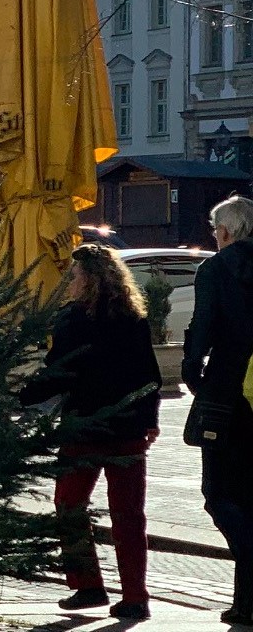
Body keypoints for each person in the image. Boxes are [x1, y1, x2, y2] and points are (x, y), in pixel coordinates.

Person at [21, 245, 162, 620]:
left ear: (87, 280)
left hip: (83, 427)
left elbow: (61, 372)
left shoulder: (72, 320)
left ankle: (87, 586)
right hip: (128, 426)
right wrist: (150, 419)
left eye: (73, 276)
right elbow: (150, 374)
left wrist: (19, 395)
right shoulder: (134, 318)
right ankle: (135, 596)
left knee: (69, 506)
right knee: (129, 514)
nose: (69, 282)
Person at [189, 196, 253, 625]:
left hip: (229, 397)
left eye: (215, 230)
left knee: (220, 495)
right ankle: (246, 602)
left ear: (227, 231)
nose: (214, 236)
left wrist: (196, 379)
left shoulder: (215, 270)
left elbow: (200, 336)